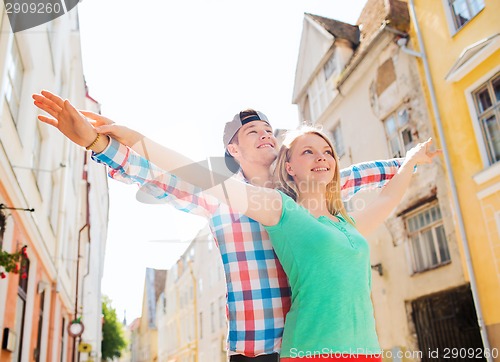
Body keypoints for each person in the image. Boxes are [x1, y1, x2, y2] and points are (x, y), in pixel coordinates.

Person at [33, 90, 407, 361]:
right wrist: (96, 141)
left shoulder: (304, 189)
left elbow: (358, 174)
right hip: (255, 346)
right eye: (252, 132)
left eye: (269, 130)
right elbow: (157, 177)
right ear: (233, 150)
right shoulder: (219, 198)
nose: (265, 135)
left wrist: (411, 159)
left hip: (313, 342)